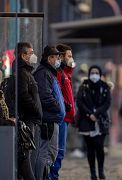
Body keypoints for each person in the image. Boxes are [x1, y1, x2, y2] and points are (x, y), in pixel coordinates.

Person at [32, 45, 65, 180]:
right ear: (50, 58)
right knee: (46, 153)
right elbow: (45, 97)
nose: (59, 59)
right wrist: (58, 107)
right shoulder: (44, 73)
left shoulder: (49, 72)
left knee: (51, 153)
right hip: (48, 120)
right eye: (57, 57)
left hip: (52, 119)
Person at [76, 65, 111, 180]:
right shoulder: (84, 86)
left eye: (96, 72)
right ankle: (93, 173)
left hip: (101, 121)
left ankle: (101, 170)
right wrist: (89, 114)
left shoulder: (105, 86)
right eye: (92, 72)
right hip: (87, 121)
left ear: (100, 74)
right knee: (90, 148)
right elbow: (80, 102)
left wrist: (96, 114)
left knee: (100, 146)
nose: (94, 75)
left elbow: (107, 103)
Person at [16, 42, 43, 180]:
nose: (33, 55)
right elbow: (24, 96)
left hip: (31, 118)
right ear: (23, 55)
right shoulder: (22, 72)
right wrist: (36, 109)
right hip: (27, 119)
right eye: (31, 53)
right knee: (25, 155)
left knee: (28, 155)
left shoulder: (27, 71)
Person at [49, 44, 76, 180]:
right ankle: (52, 176)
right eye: (69, 56)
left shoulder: (66, 74)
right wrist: (67, 106)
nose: (71, 58)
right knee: (59, 150)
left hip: (66, 116)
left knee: (60, 150)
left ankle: (53, 175)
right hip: (61, 117)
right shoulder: (59, 73)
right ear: (62, 57)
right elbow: (57, 94)